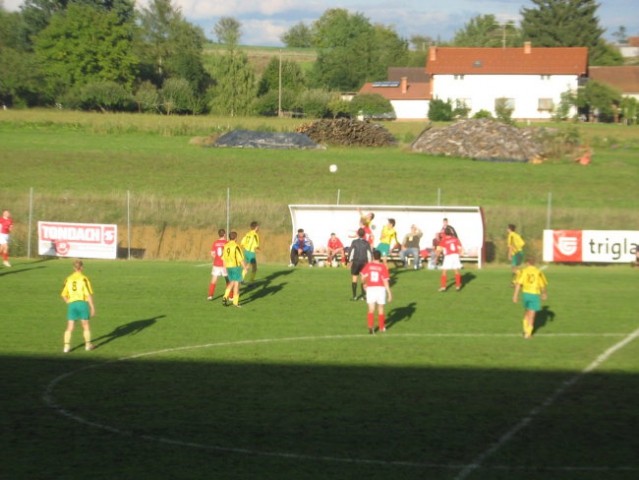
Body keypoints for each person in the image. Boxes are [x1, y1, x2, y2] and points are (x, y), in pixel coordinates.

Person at [61, 259, 96, 353]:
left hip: (72, 304)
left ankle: (66, 347)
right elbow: (88, 294)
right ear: (82, 267)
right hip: (82, 304)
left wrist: (69, 302)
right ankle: (88, 345)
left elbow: (63, 295)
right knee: (85, 324)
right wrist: (92, 307)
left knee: (70, 326)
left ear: (73, 268)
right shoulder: (84, 278)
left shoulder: (68, 279)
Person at [513, 257, 548, 339]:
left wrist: (515, 295)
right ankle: (528, 334)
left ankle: (525, 329)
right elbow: (542, 285)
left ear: (527, 263)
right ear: (534, 263)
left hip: (525, 294)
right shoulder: (538, 272)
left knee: (527, 312)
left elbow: (518, 284)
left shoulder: (524, 271)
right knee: (532, 315)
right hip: (534, 295)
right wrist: (544, 294)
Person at [360, 249, 392, 334]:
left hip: (370, 289)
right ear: (380, 257)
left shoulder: (368, 266)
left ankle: (371, 327)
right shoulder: (382, 267)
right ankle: (381, 327)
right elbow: (385, 281)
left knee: (371, 309)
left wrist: (364, 284)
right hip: (380, 289)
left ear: (373, 256)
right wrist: (389, 293)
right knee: (380, 308)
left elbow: (362, 277)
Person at [222, 231, 248, 307]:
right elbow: (240, 259)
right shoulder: (236, 246)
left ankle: (225, 297)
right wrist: (245, 268)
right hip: (235, 267)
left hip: (228, 267)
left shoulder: (226, 246)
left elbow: (223, 258)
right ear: (236, 238)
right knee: (237, 284)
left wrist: (225, 267)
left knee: (231, 282)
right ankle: (235, 302)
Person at [348, 227, 372, 300]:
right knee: (363, 279)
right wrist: (369, 263)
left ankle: (355, 296)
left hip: (356, 262)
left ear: (357, 234)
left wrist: (350, 261)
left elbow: (351, 252)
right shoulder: (367, 243)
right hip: (364, 262)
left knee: (354, 279)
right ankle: (363, 296)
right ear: (364, 234)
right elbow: (369, 254)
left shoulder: (354, 242)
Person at [437, 226, 463, 292]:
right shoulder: (455, 239)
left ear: (445, 233)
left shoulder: (444, 240)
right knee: (456, 270)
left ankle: (443, 287)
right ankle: (458, 286)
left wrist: (436, 257)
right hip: (455, 255)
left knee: (444, 271)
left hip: (448, 256)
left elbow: (439, 250)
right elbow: (460, 248)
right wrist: (458, 255)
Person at [207, 228, 228, 300]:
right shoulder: (226, 242)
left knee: (213, 280)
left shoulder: (215, 243)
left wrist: (216, 258)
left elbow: (212, 254)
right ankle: (230, 296)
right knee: (228, 280)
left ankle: (210, 295)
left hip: (216, 264)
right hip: (224, 264)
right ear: (224, 234)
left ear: (219, 235)